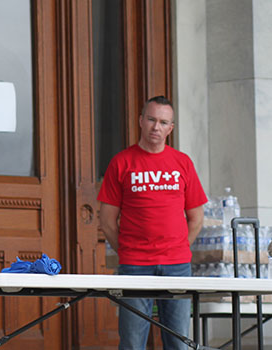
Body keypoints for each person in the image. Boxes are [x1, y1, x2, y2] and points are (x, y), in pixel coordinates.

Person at [97, 96, 207, 350]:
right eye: (151, 119)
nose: (156, 127)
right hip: (135, 266)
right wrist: (127, 251)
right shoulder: (121, 162)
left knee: (179, 343)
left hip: (177, 267)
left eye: (163, 122)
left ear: (171, 128)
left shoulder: (183, 163)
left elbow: (196, 218)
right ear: (141, 121)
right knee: (133, 342)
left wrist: (179, 248)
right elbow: (107, 221)